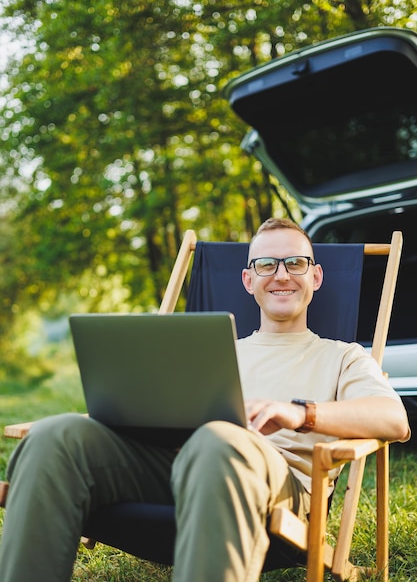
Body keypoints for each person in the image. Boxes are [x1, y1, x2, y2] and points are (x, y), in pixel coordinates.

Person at [0, 217, 410, 582]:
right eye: (266, 264)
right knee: (57, 437)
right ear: (249, 281)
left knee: (219, 439)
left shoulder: (341, 355)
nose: (281, 274)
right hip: (179, 467)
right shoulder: (210, 349)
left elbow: (393, 419)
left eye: (295, 263)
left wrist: (298, 412)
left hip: (271, 482)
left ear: (316, 277)